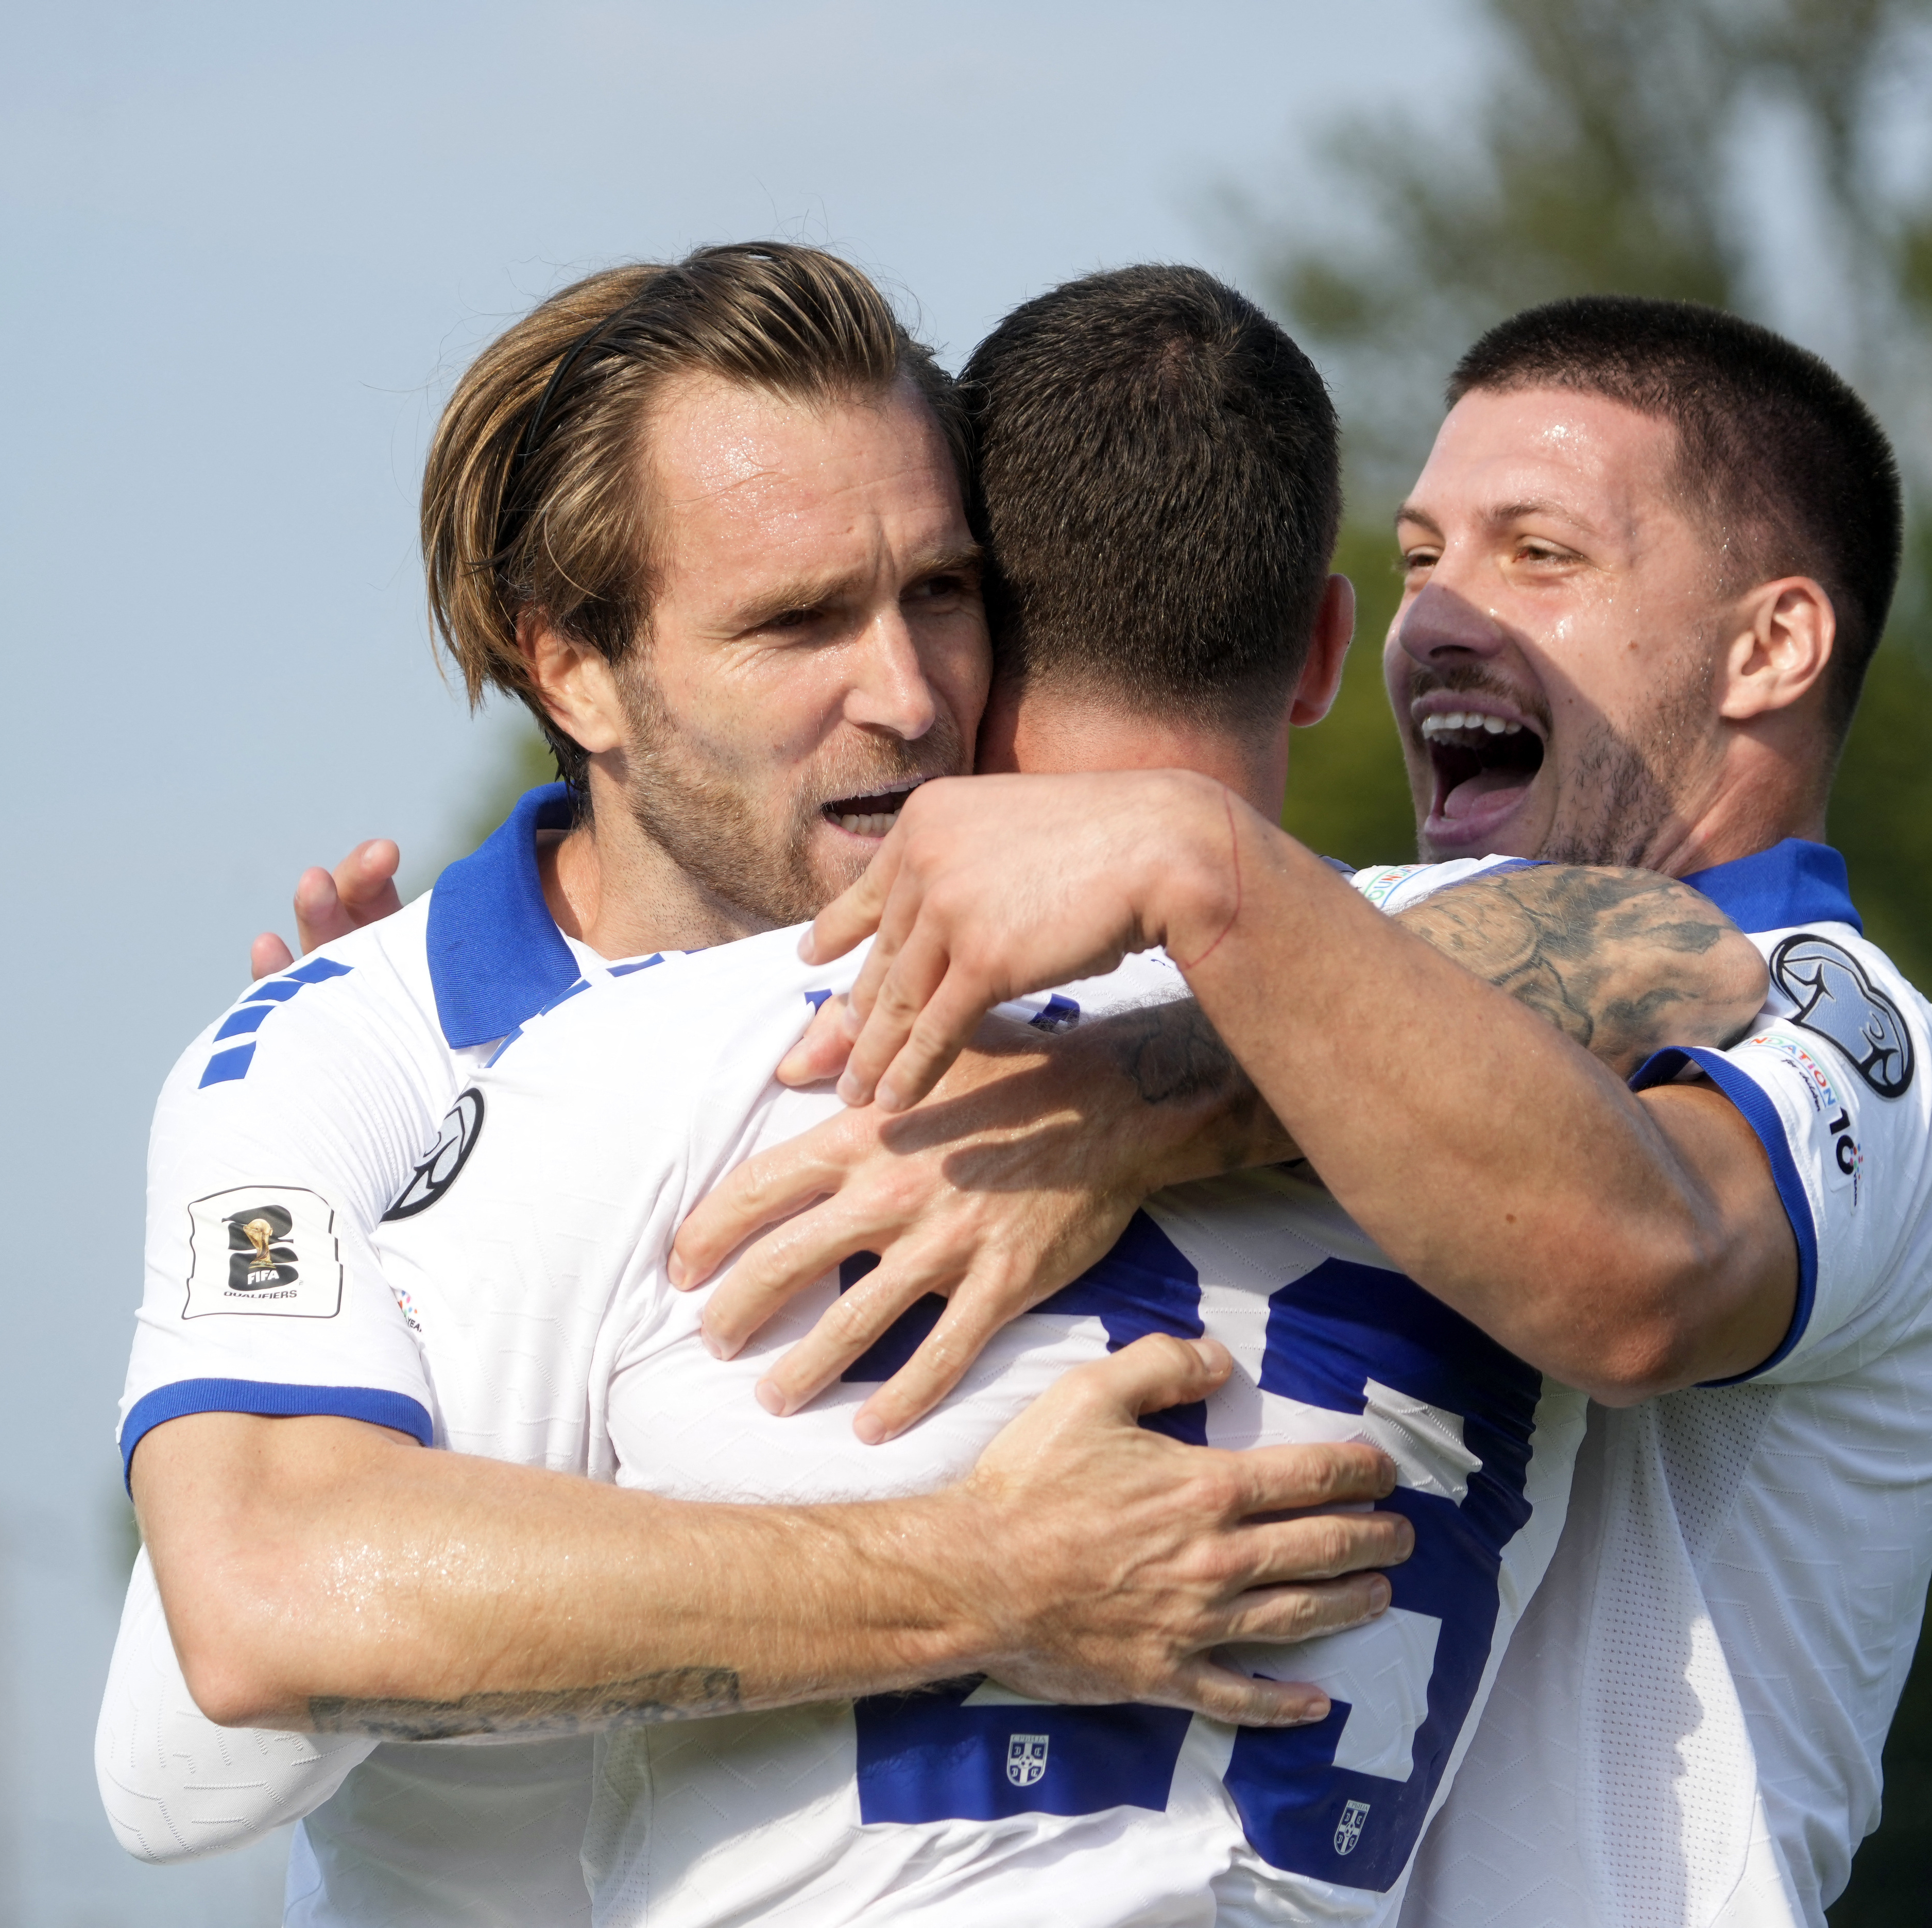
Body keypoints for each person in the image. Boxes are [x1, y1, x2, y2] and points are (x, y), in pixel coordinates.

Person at [103, 252, 1769, 1918]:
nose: (907, 696)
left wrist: (1143, 1098)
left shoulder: (1096, 951)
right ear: (573, 670)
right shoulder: (353, 1055)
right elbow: (233, 1649)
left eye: (941, 593)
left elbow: (1670, 953)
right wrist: (988, 1577)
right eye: (797, 623)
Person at [682, 296, 1932, 1925]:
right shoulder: (1348, 956)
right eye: (1417, 556)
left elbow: (1639, 1263)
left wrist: (1130, 1089)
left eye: (1539, 555)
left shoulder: (1861, 1033)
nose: (1438, 620)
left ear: (1771, 646)